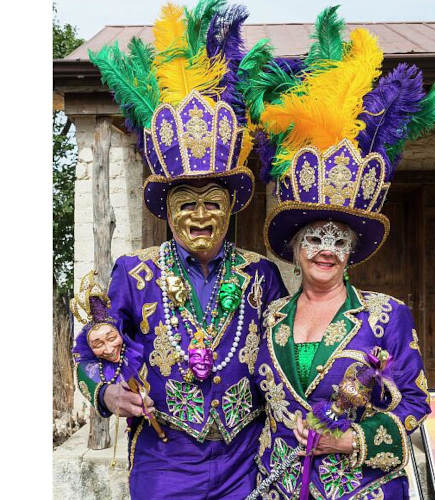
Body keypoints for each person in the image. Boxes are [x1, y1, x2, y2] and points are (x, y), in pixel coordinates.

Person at [74, 2, 288, 498]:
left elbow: (283, 360)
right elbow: (92, 343)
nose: (199, 215)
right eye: (186, 204)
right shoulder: (135, 272)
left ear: (231, 208)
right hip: (164, 454)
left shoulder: (261, 275)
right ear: (166, 211)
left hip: (244, 458)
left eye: (212, 202)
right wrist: (107, 392)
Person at [240, 5, 435, 499]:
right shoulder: (269, 316)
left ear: (352, 252)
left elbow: (415, 404)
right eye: (315, 238)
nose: (326, 251)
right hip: (279, 488)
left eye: (339, 241)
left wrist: (349, 439)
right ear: (295, 247)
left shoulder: (385, 316)